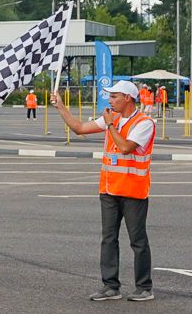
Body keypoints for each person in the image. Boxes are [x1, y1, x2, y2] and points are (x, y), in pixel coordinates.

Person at [51, 79, 156, 302]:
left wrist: (109, 125)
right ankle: (111, 286)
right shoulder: (113, 117)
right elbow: (79, 128)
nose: (110, 100)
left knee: (138, 240)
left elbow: (126, 148)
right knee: (108, 238)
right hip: (109, 189)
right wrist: (61, 107)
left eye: (114, 96)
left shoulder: (144, 123)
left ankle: (144, 287)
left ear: (128, 98)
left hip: (133, 191)